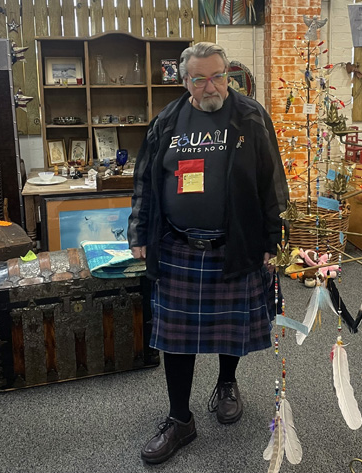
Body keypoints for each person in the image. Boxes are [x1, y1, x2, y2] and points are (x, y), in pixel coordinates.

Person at [127, 42, 289, 465]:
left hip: (234, 243)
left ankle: (227, 384)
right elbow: (145, 179)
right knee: (176, 340)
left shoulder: (250, 116)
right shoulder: (168, 120)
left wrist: (275, 238)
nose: (211, 85)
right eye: (199, 78)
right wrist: (139, 231)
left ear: (228, 74)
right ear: (185, 82)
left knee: (229, 330)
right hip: (178, 245)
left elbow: (272, 179)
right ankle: (180, 419)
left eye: (218, 75)